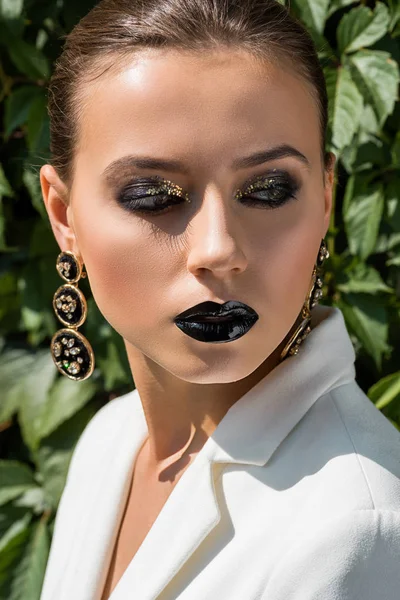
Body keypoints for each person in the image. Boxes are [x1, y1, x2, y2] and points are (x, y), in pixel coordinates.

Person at [39, 0, 400, 598]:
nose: (218, 248)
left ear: (327, 198)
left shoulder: (357, 528)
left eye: (265, 190)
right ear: (63, 214)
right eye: (153, 195)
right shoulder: (108, 442)